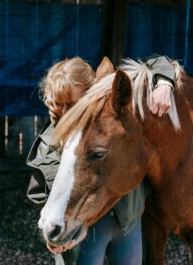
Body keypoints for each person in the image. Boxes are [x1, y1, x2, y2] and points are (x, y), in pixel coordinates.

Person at [27, 55, 175, 265]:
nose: (67, 112)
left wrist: (164, 84)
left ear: (92, 91)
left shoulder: (102, 123)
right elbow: (39, 194)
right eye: (59, 104)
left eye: (73, 103)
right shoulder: (50, 141)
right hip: (83, 230)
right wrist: (56, 226)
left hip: (126, 221)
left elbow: (159, 61)